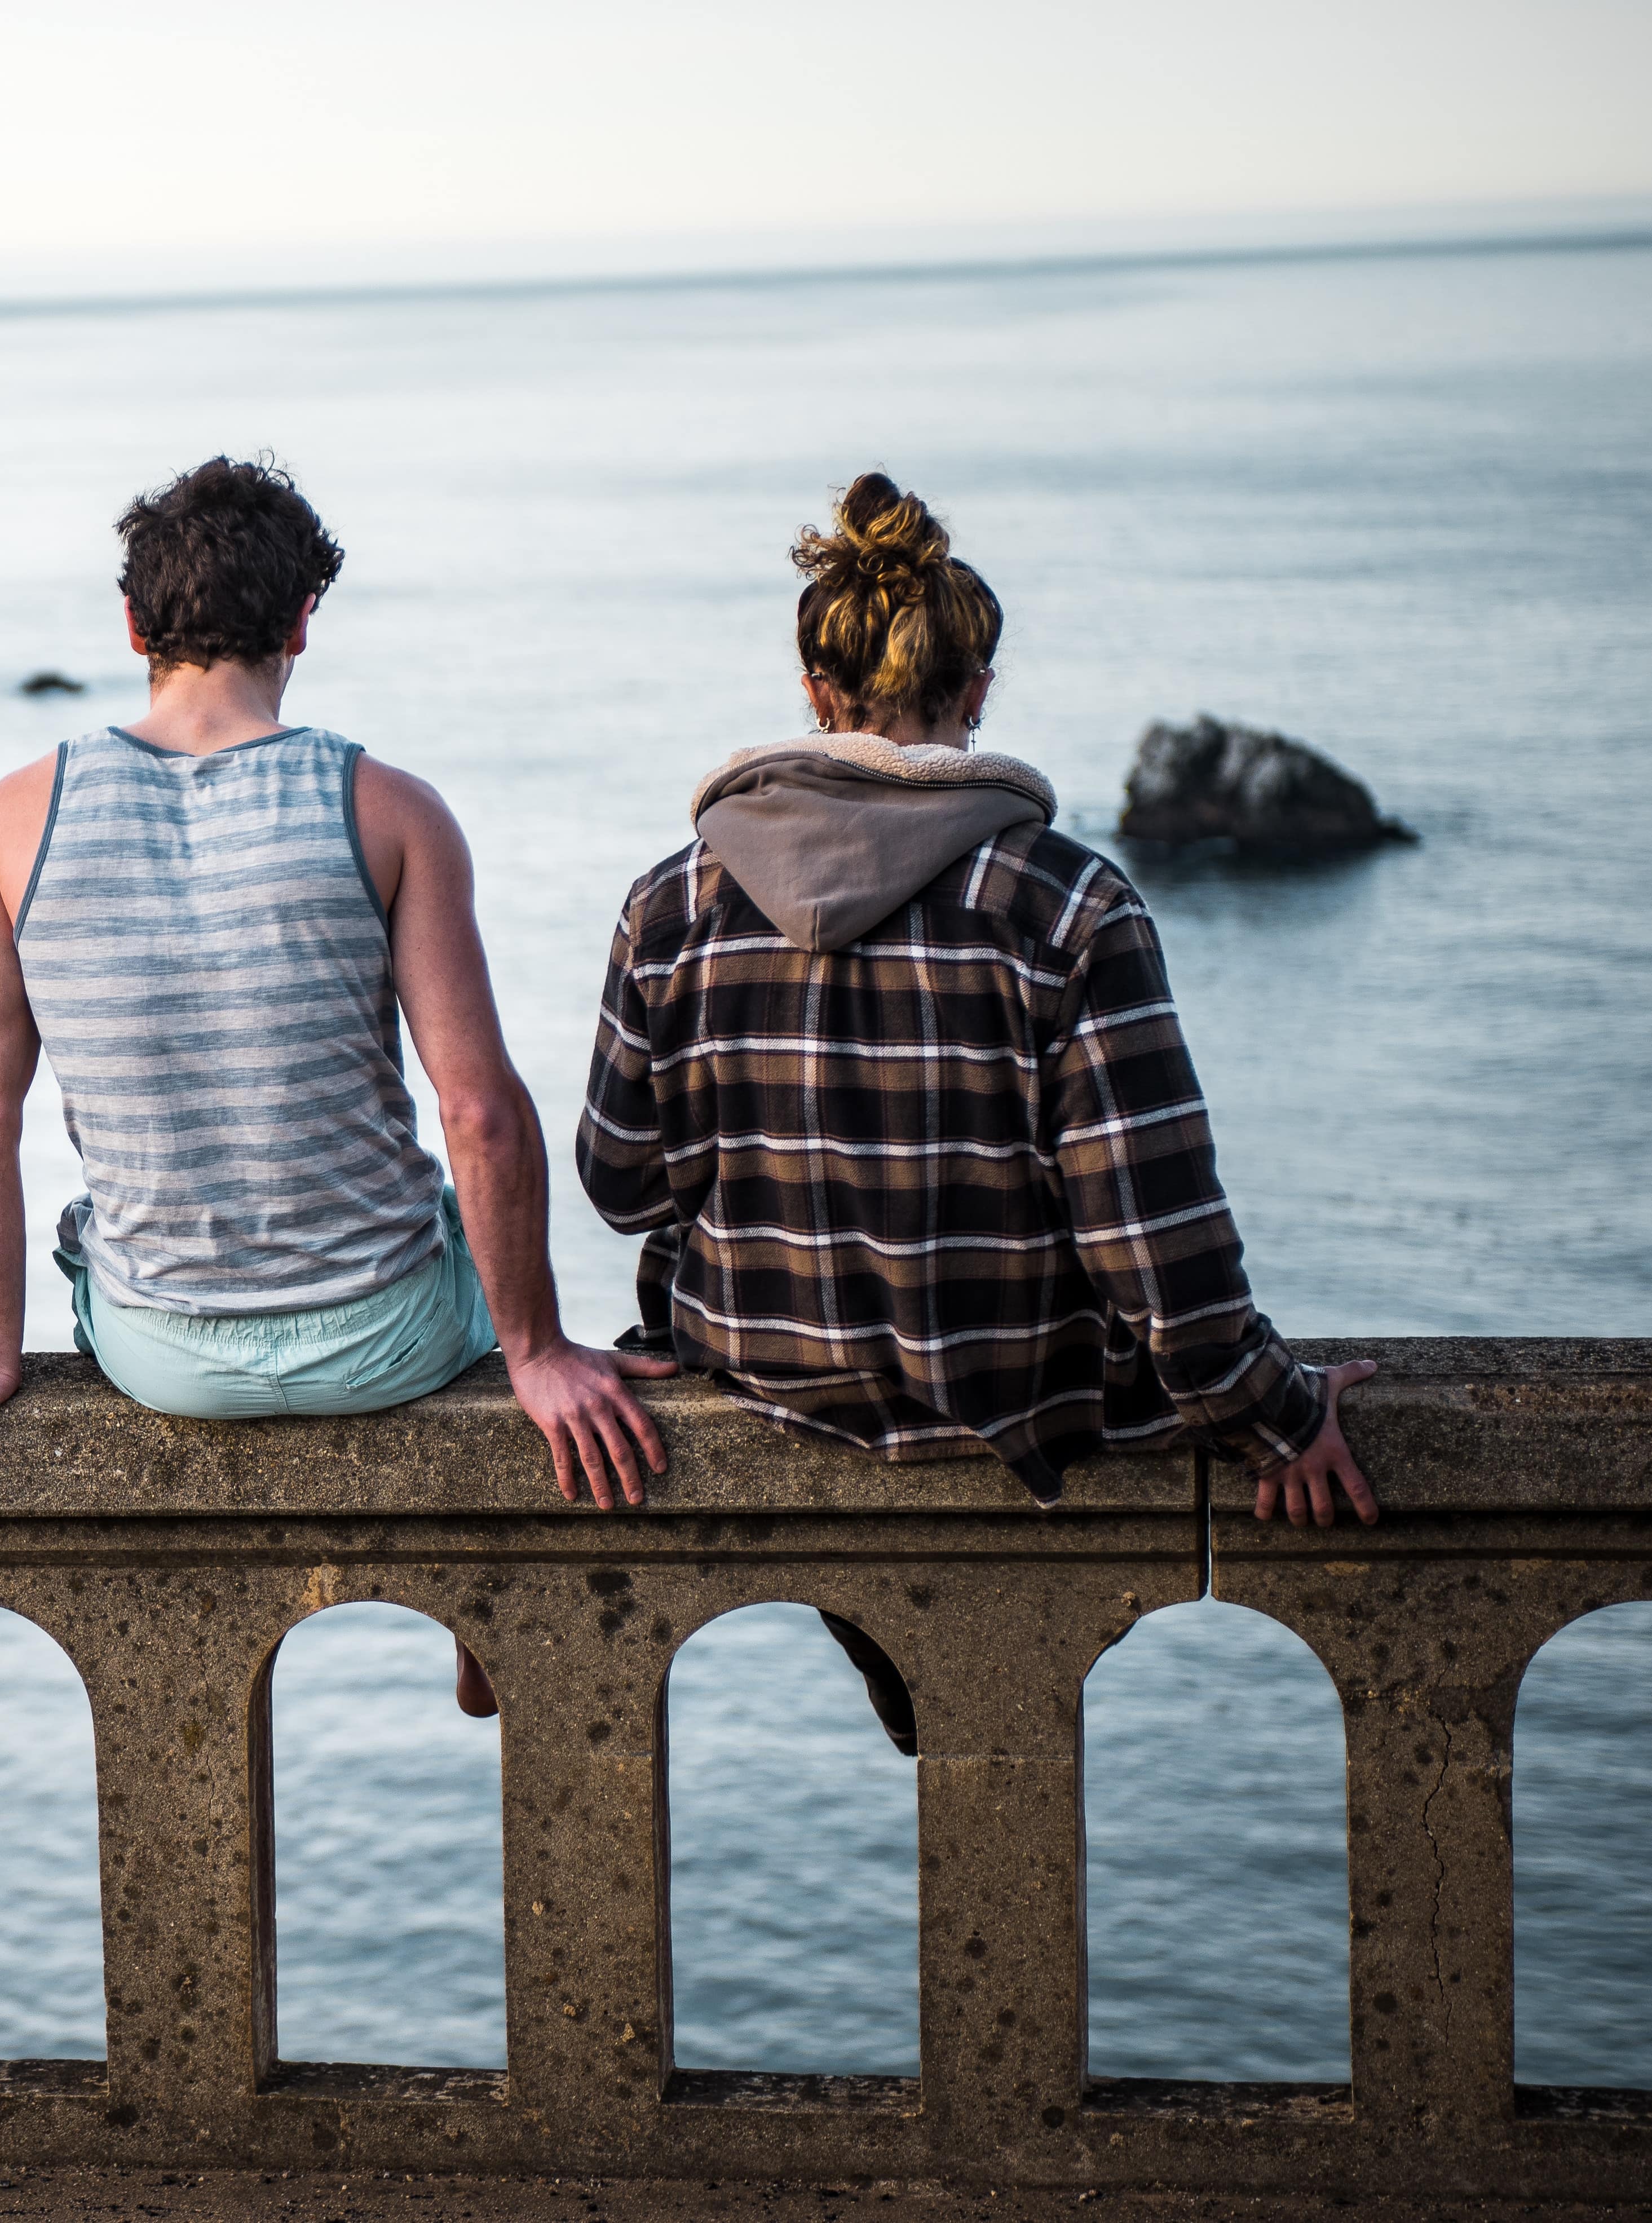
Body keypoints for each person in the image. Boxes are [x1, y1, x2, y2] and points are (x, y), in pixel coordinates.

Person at [573, 471, 1377, 1754]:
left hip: (769, 1376)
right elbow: (1152, 1236)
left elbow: (621, 1184)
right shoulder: (1067, 906)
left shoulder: (670, 905)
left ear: (816, 697)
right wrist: (1277, 1411)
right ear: (976, 693)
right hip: (1017, 1399)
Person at [0, 456, 673, 1717]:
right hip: (389, 1335)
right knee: (452, 1235)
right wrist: (537, 1347)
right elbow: (479, 1114)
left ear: (133, 630)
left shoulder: (15, 821)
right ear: (302, 624)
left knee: (104, 1233)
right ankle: (475, 1616)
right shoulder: (388, 809)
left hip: (158, 1356)